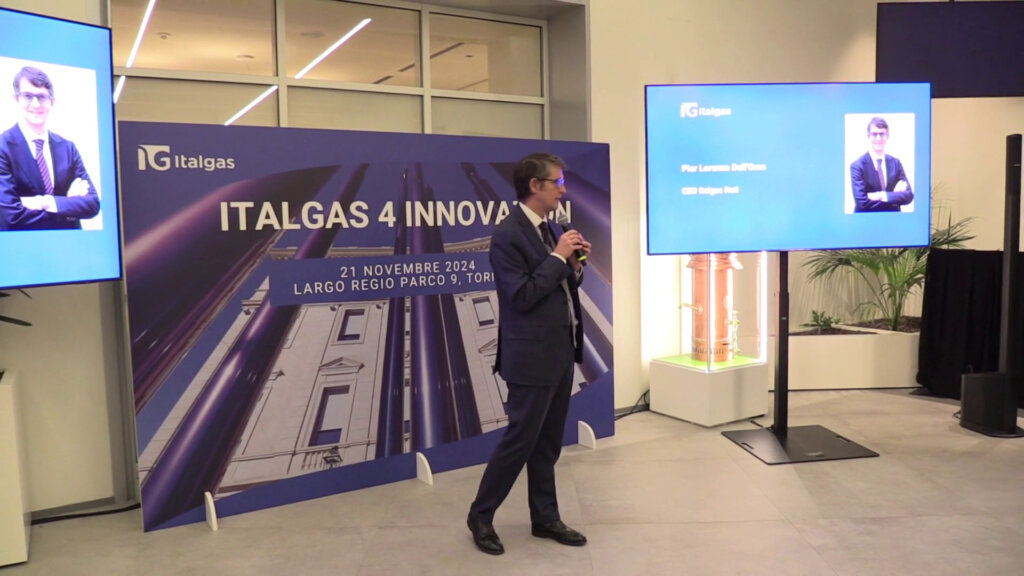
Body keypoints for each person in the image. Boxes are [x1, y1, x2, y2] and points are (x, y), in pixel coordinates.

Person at [466, 152, 592, 555]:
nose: (563, 190)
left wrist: (574, 266)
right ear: (535, 186)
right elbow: (521, 296)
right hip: (530, 358)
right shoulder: (507, 235)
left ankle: (545, 517)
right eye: (557, 182)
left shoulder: (550, 229)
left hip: (560, 351)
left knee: (548, 443)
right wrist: (557, 257)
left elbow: (560, 287)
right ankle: (481, 516)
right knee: (519, 441)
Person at [0, 66, 99, 230]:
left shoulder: (67, 148)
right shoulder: (3, 147)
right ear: (16, 99)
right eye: (28, 96)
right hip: (23, 245)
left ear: (52, 101)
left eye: (42, 97)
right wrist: (66, 203)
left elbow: (92, 204)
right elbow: (10, 217)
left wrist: (46, 202)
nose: (35, 104)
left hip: (70, 243)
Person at [850, 116, 913, 213]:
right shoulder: (857, 166)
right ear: (868, 136)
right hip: (866, 220)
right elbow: (862, 203)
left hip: (893, 219)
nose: (878, 138)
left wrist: (882, 195)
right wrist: (893, 196)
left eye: (882, 134)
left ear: (887, 136)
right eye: (874, 134)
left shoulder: (896, 163)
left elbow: (909, 196)